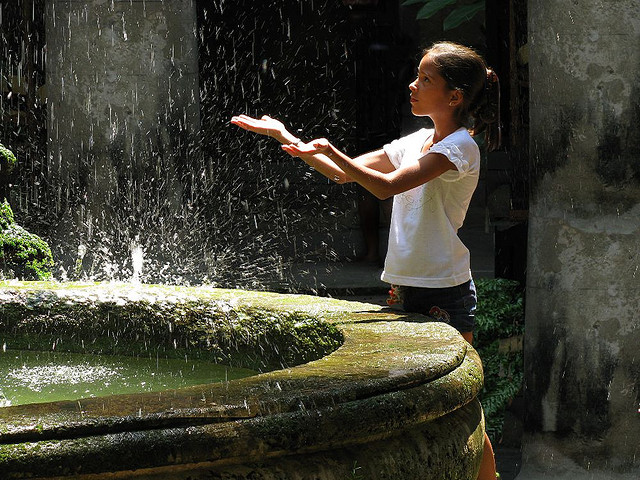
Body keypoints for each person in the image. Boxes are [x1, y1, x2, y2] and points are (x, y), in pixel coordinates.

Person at [231, 41, 501, 479]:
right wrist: (289, 140)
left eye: (425, 79)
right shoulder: (419, 139)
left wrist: (330, 151)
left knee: (459, 406)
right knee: (414, 402)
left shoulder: (460, 148)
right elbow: (345, 174)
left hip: (444, 291)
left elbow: (385, 187)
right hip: (404, 284)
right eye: (417, 75)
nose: (413, 85)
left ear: (454, 96)